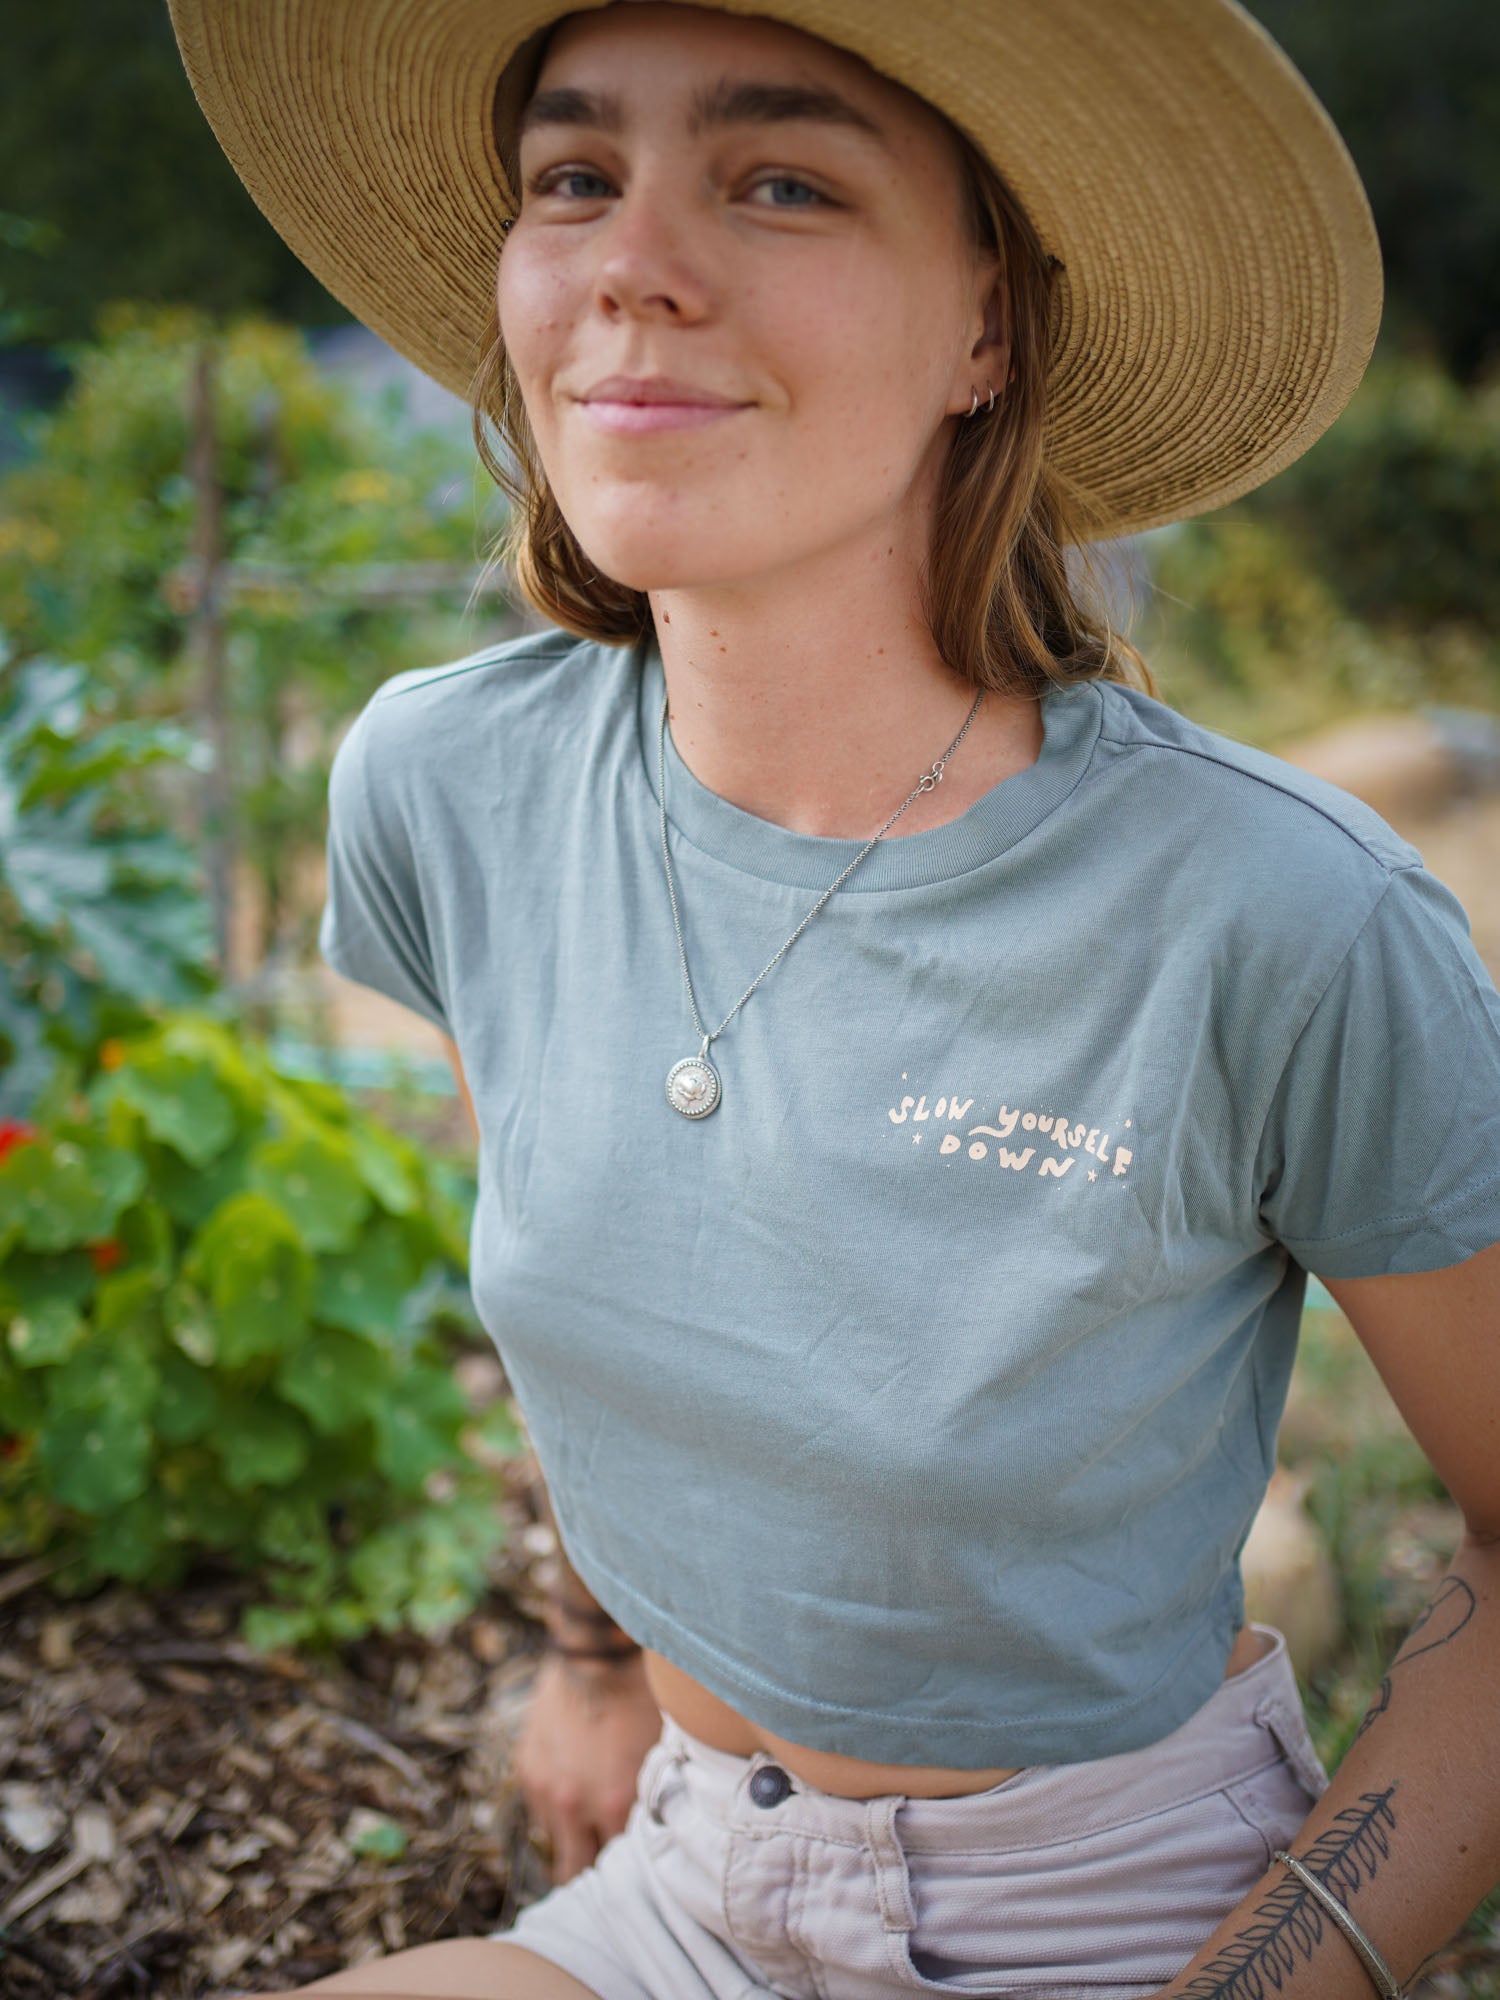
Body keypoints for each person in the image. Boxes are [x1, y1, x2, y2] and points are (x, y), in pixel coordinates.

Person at [164, 3, 1500, 1997]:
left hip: (1131, 1918)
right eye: (575, 177)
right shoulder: (445, 790)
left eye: (782, 179)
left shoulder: (1284, 921)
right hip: (691, 1884)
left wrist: (1262, 1980)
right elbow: (611, 1260)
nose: (633, 262)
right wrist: (593, 1653)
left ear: (989, 329)